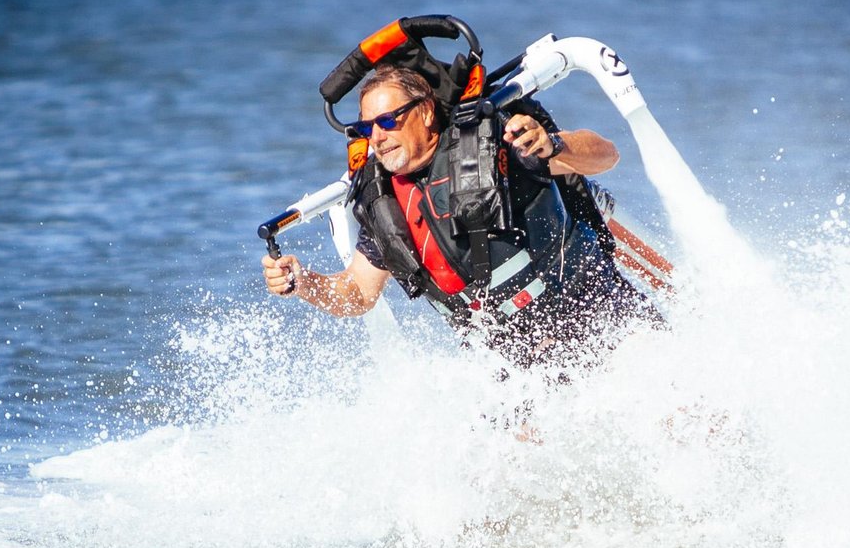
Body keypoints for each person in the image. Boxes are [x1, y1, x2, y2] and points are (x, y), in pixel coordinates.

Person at [262, 64, 661, 371]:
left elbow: (606, 155)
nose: (378, 138)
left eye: (388, 121)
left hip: (600, 319)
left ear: (426, 114)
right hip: (519, 367)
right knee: (497, 473)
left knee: (681, 417)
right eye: (367, 129)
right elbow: (358, 293)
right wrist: (302, 282)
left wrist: (552, 144)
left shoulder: (495, 148)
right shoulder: (381, 204)